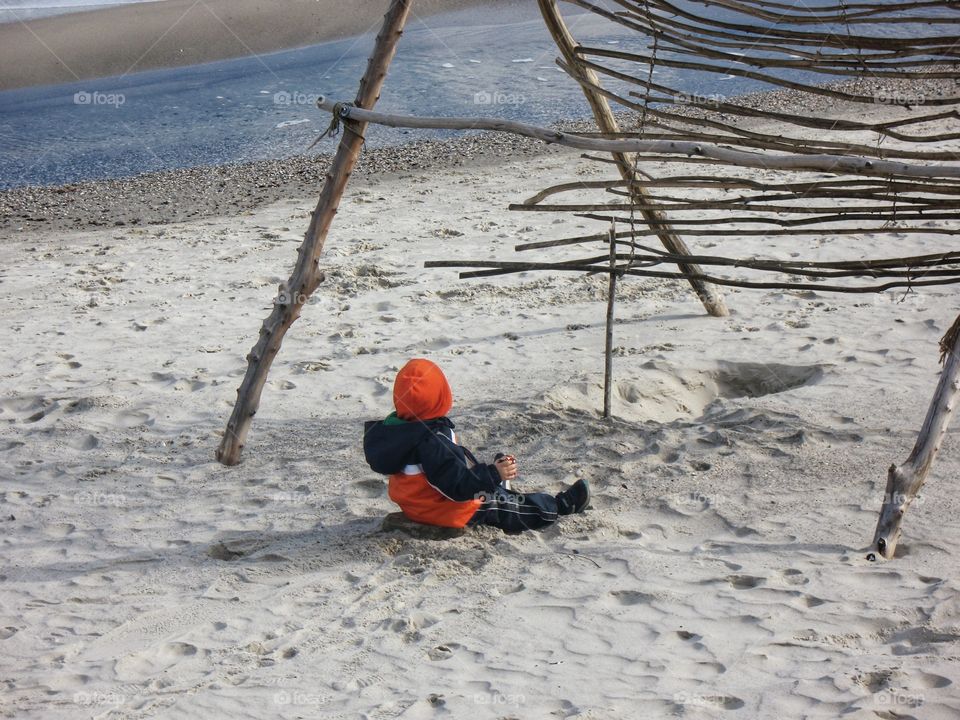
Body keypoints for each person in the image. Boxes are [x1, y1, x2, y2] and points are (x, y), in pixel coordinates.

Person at [363, 358, 590, 531]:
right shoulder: (433, 440)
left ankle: (497, 482)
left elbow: (445, 471)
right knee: (509, 506)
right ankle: (560, 506)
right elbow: (457, 487)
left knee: (485, 481)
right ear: (441, 397)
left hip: (417, 506)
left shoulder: (396, 430)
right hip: (446, 510)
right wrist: (492, 474)